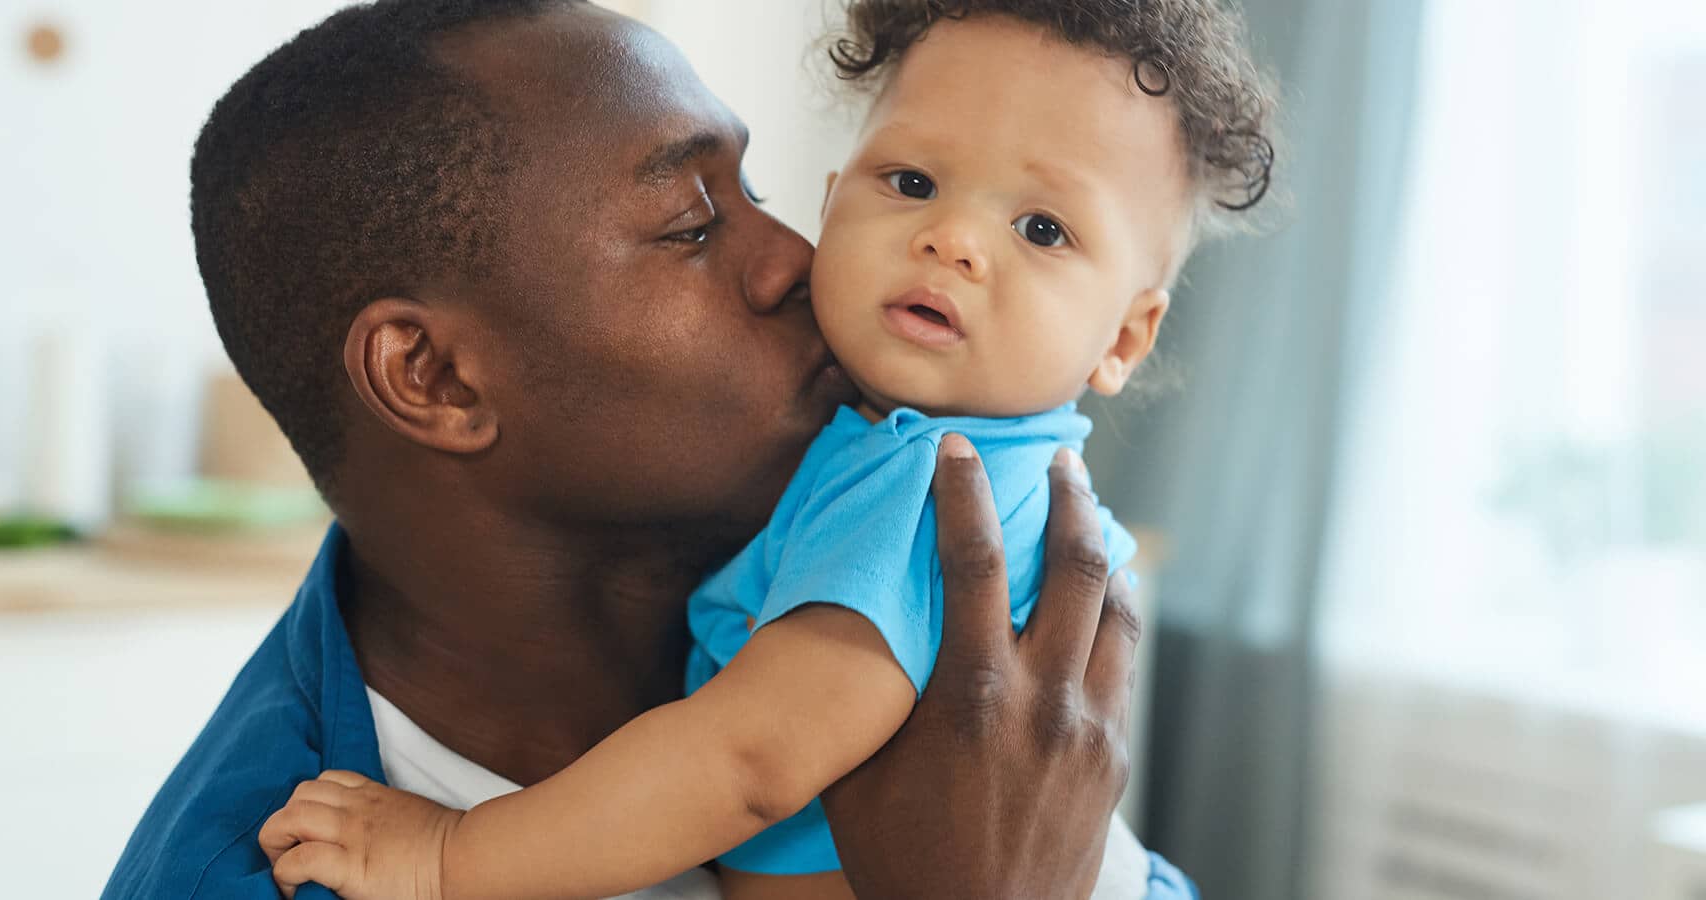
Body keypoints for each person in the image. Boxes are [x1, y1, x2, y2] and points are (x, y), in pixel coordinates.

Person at [100, 1, 1194, 898]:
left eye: (754, 193)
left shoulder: (933, 520)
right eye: (691, 225)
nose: (795, 262)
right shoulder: (278, 872)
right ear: (433, 377)